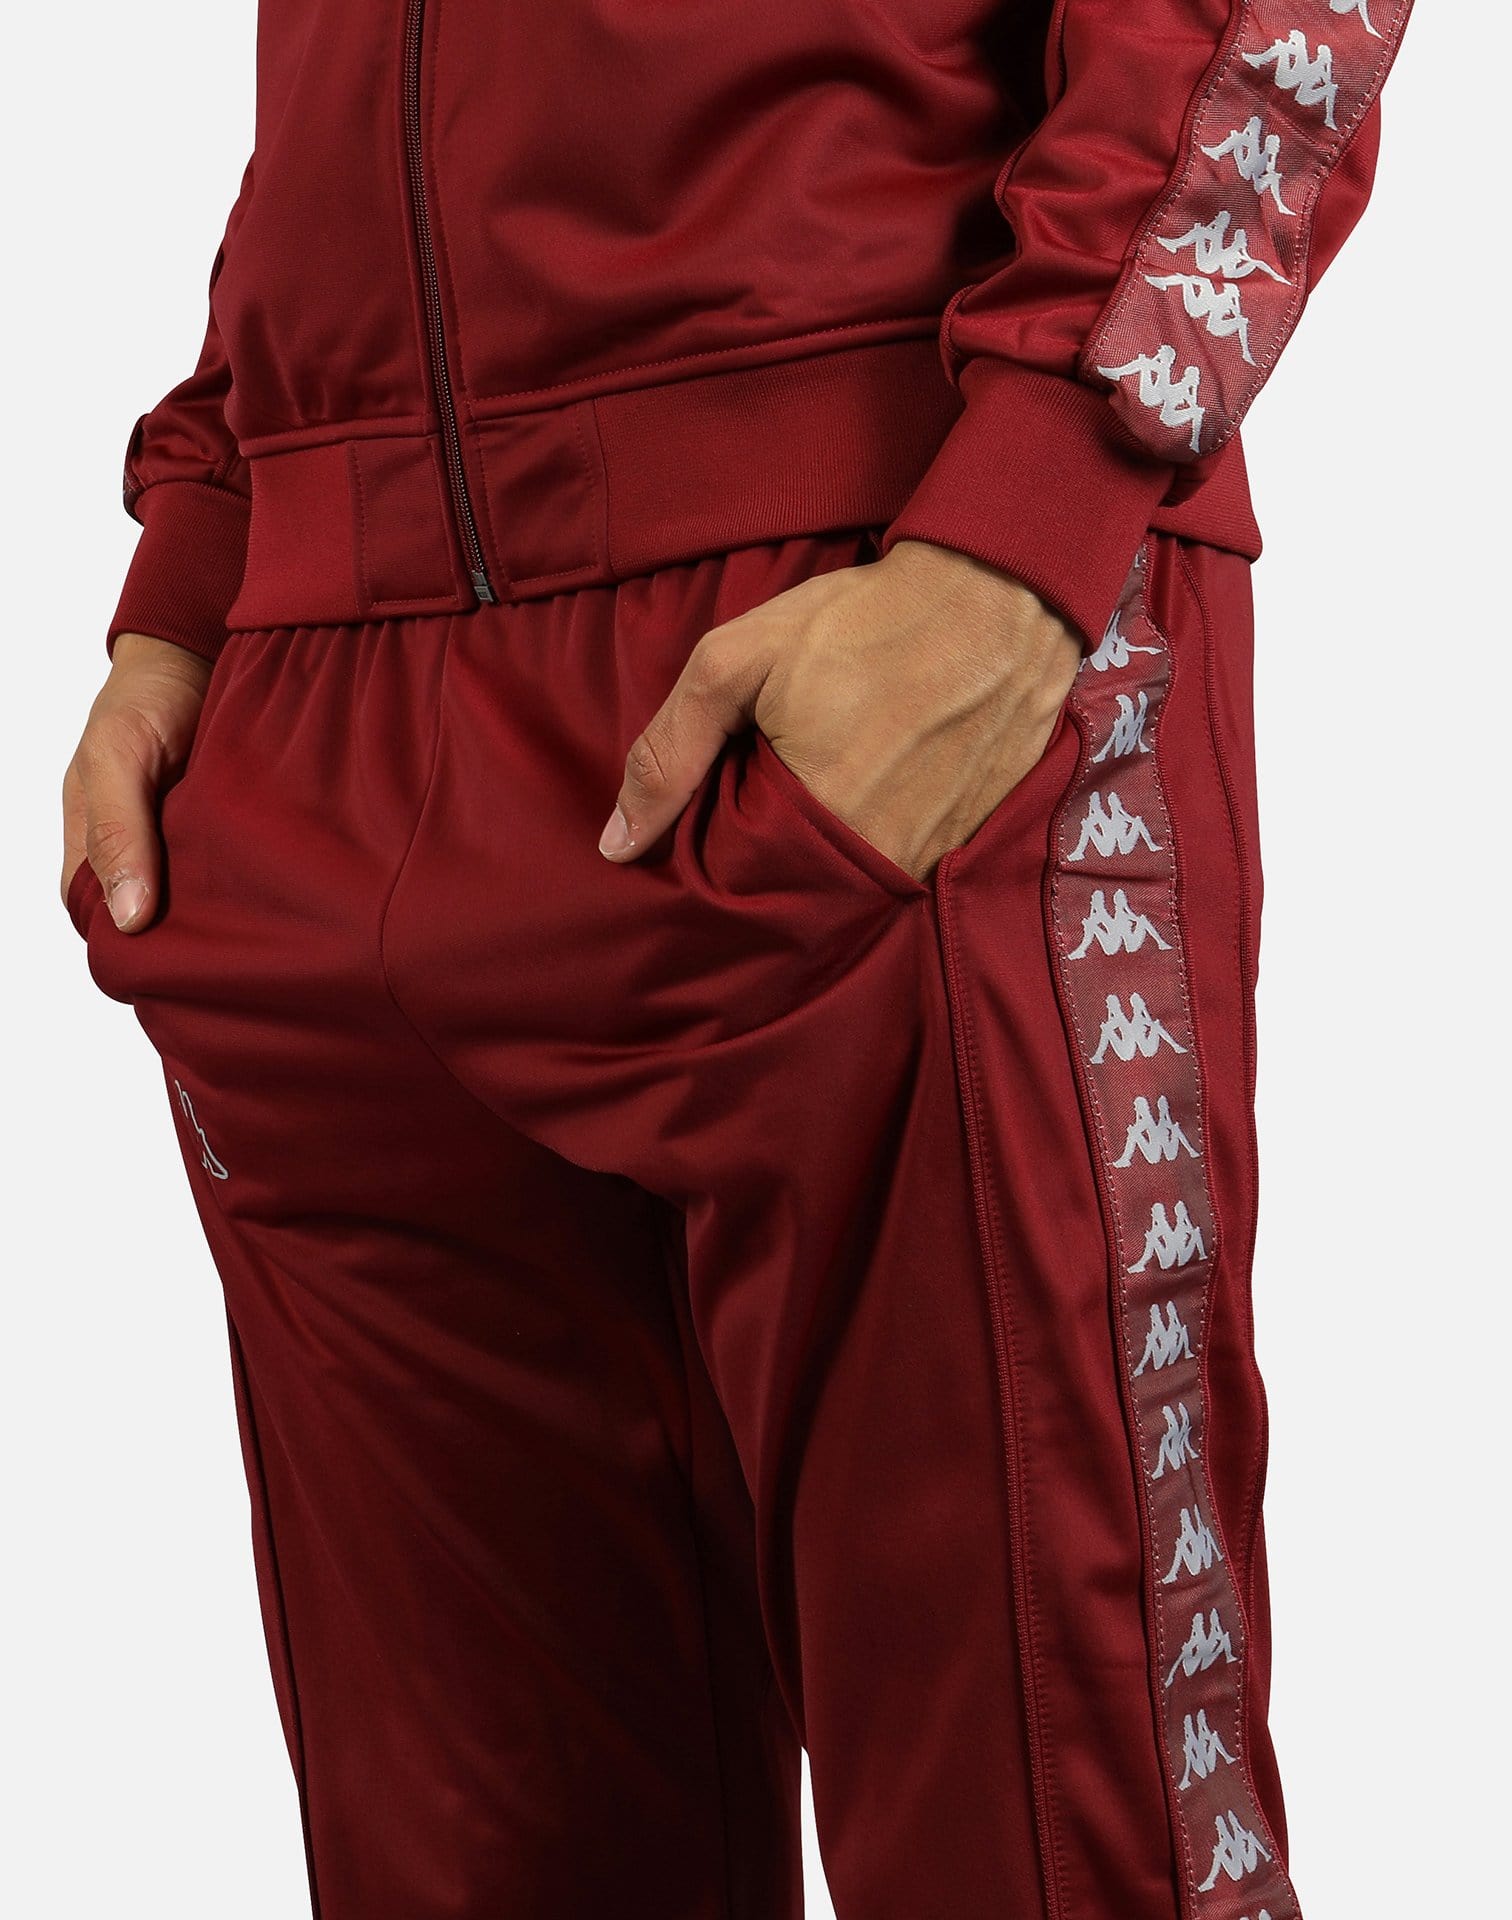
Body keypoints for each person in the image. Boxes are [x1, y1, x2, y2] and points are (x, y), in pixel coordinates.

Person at [58, 3, 1413, 1916]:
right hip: (322, 695)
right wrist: (200, 569)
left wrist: (1033, 507)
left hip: (869, 609)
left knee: (1054, 1839)